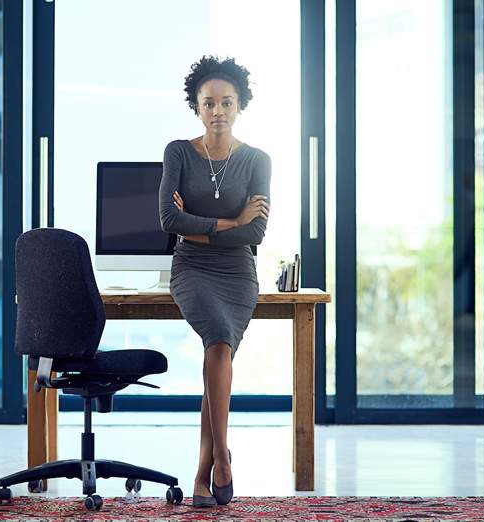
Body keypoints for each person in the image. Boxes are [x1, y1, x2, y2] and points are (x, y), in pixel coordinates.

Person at [158, 55, 271, 507]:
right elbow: (168, 219)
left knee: (218, 352)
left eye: (227, 102)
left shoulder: (258, 160)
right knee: (218, 343)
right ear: (196, 107)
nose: (218, 111)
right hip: (191, 269)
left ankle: (203, 473)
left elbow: (256, 232)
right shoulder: (179, 152)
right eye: (209, 103)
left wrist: (199, 224)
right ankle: (222, 458)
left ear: (240, 105)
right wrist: (229, 221)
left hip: (237, 272)